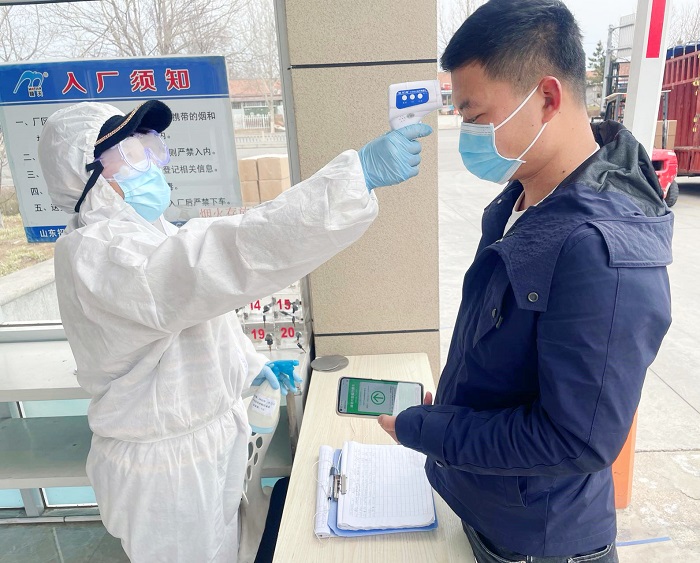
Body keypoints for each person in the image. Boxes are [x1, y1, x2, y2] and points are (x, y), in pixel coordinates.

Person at [37, 99, 432, 562]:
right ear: (86, 178)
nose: (153, 163)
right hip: (167, 470)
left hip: (204, 444)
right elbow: (227, 257)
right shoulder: (102, 253)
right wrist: (350, 181)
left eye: (152, 146)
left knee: (237, 545)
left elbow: (197, 320)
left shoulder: (148, 235)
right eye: (133, 153)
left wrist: (250, 366)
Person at [378, 1, 672, 562]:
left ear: (547, 97)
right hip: (490, 506)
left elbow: (575, 438)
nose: (468, 135)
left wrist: (432, 432)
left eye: (475, 116)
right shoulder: (521, 197)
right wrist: (457, 407)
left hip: (540, 542)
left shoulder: (600, 249)